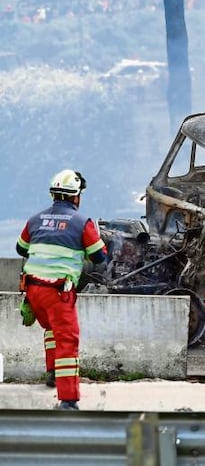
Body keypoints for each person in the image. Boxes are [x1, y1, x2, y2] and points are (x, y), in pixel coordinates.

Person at [15, 169, 108, 410]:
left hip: (33, 291)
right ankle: (68, 400)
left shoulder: (35, 220)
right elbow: (99, 257)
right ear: (76, 196)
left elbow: (20, 248)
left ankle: (52, 374)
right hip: (57, 291)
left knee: (50, 328)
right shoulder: (81, 222)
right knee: (68, 340)